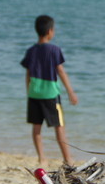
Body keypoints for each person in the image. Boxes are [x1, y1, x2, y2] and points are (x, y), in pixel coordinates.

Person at [20, 14, 79, 166]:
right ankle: (67, 159)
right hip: (51, 93)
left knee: (36, 127)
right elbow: (61, 71)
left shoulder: (31, 51)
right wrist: (70, 92)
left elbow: (27, 73)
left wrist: (28, 91)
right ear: (50, 31)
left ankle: (42, 158)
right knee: (59, 127)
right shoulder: (54, 50)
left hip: (34, 93)